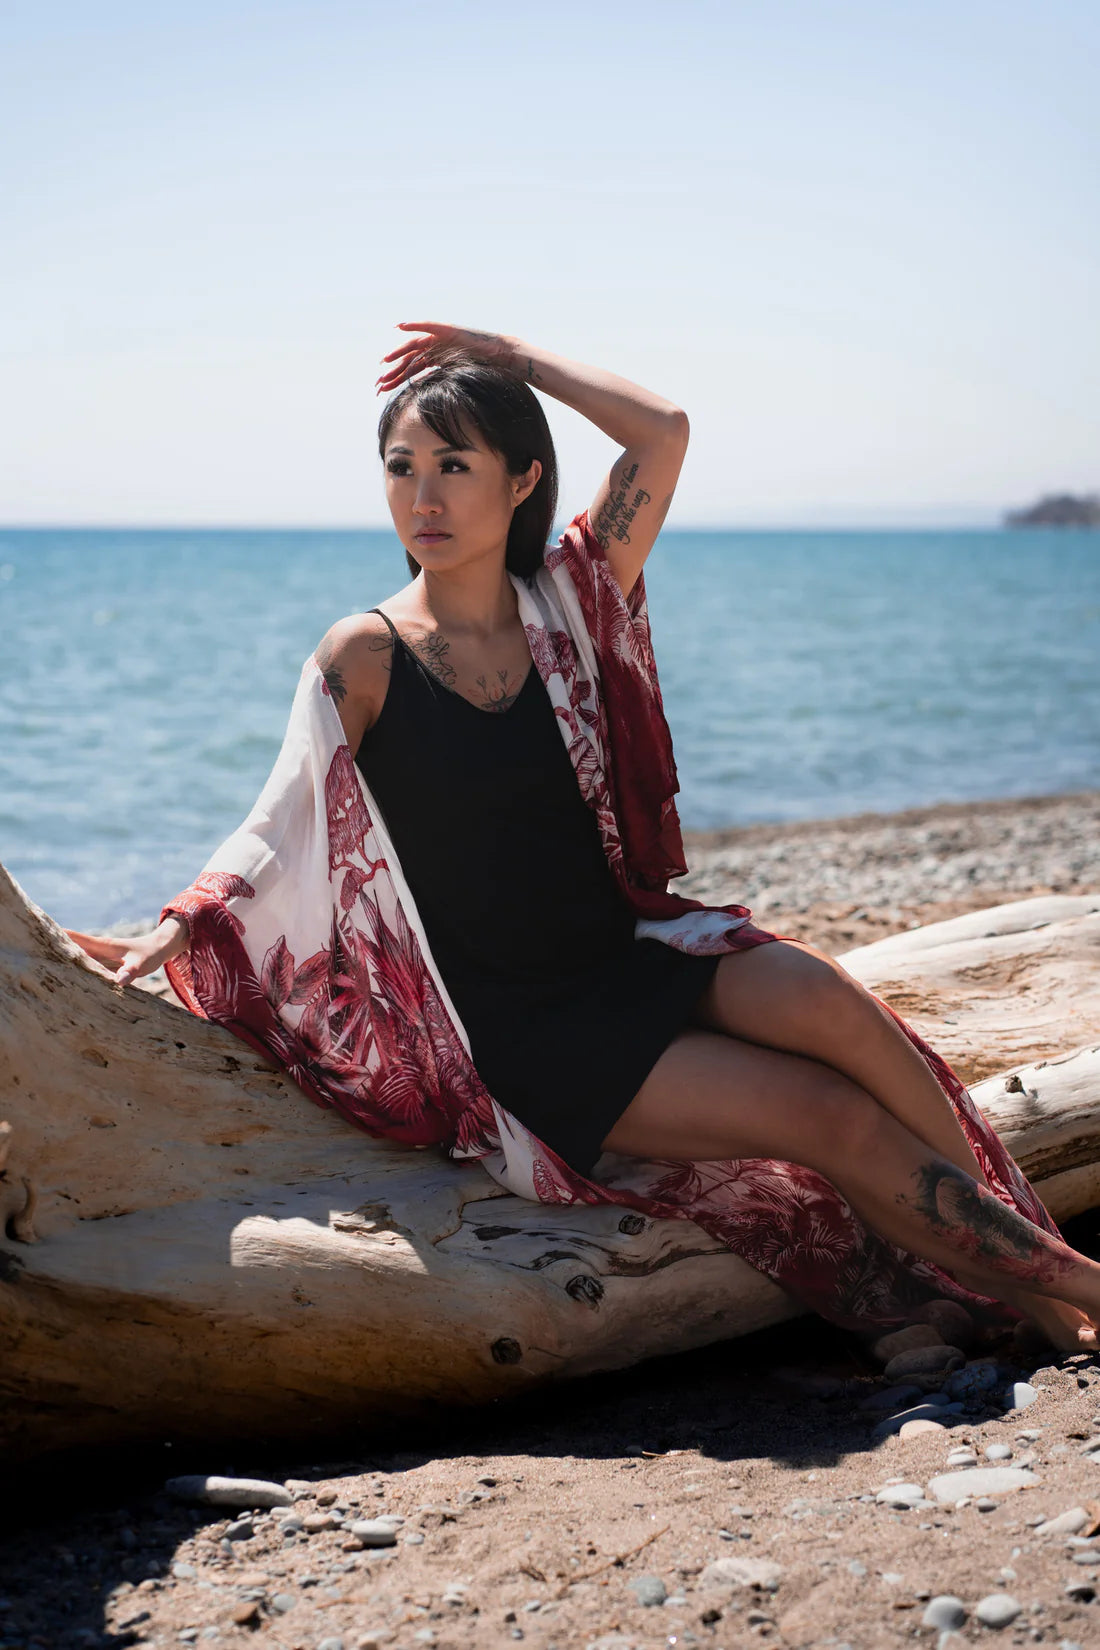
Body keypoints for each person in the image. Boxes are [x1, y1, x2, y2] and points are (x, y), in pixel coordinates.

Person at [68, 322, 1100, 1353]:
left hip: (624, 952)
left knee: (832, 1000)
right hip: (521, 1031)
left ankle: (1034, 1274)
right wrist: (188, 919)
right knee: (829, 1116)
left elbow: (662, 432)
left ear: (523, 480)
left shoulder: (567, 600)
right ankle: (1073, 1293)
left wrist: (514, 358)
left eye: (454, 466)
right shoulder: (365, 653)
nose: (422, 499)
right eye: (401, 467)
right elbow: (284, 811)